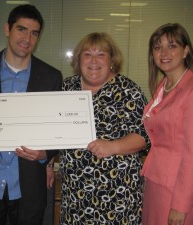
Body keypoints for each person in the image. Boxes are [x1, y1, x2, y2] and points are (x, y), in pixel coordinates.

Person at [0, 4, 62, 225]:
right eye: (21, 29)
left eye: (34, 33)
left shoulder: (51, 77)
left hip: (28, 186)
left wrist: (45, 154)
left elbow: (56, 130)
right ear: (8, 29)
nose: (27, 38)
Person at [59, 32, 149, 224]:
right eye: (87, 54)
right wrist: (49, 164)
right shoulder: (66, 88)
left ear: (112, 60)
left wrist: (113, 146)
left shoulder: (128, 90)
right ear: (78, 59)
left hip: (117, 196)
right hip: (76, 195)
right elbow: (51, 129)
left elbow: (144, 135)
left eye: (101, 54)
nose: (94, 60)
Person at [141, 23, 193, 225]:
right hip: (156, 179)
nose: (163, 52)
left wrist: (180, 206)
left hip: (176, 189)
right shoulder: (165, 85)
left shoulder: (190, 90)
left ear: (185, 50)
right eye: (157, 47)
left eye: (171, 46)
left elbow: (191, 154)